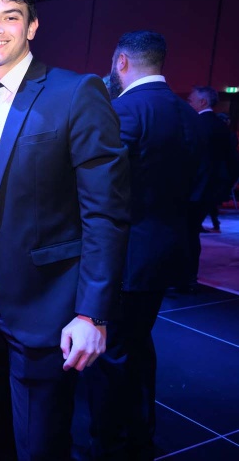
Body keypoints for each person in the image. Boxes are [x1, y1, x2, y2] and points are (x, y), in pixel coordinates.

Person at [0, 0, 130, 460]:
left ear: (32, 26)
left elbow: (106, 213)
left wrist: (91, 312)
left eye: (10, 17)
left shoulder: (75, 92)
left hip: (45, 297)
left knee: (40, 441)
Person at [85, 30, 200, 460]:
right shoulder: (188, 114)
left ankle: (109, 446)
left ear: (121, 61)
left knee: (112, 353)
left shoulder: (122, 110)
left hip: (125, 255)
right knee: (138, 345)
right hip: (165, 251)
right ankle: (140, 436)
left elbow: (100, 187)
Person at [180, 86, 239, 291]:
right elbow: (233, 163)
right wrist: (223, 188)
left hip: (192, 189)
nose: (188, 103)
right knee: (191, 233)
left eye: (190, 100)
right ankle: (188, 277)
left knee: (185, 234)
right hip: (209, 191)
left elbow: (188, 159)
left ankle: (183, 278)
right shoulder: (222, 127)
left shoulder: (195, 124)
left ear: (202, 102)